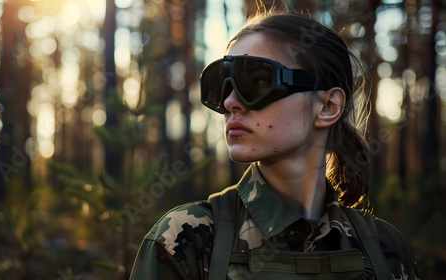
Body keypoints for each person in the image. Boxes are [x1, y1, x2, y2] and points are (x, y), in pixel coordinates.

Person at [130, 10, 420, 280]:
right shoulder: (187, 237)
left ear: (328, 106)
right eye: (223, 85)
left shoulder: (386, 249)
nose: (230, 102)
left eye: (257, 81)